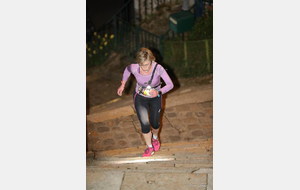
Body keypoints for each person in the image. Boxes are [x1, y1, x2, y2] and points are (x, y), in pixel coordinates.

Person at [117, 47, 174, 157]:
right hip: (140, 97)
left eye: (147, 64)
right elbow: (127, 70)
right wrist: (123, 84)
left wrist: (159, 92)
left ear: (152, 60)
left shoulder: (158, 68)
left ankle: (155, 138)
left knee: (155, 124)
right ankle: (149, 147)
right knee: (145, 123)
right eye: (142, 65)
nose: (145, 68)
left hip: (155, 97)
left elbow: (170, 85)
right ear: (138, 63)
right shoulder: (134, 67)